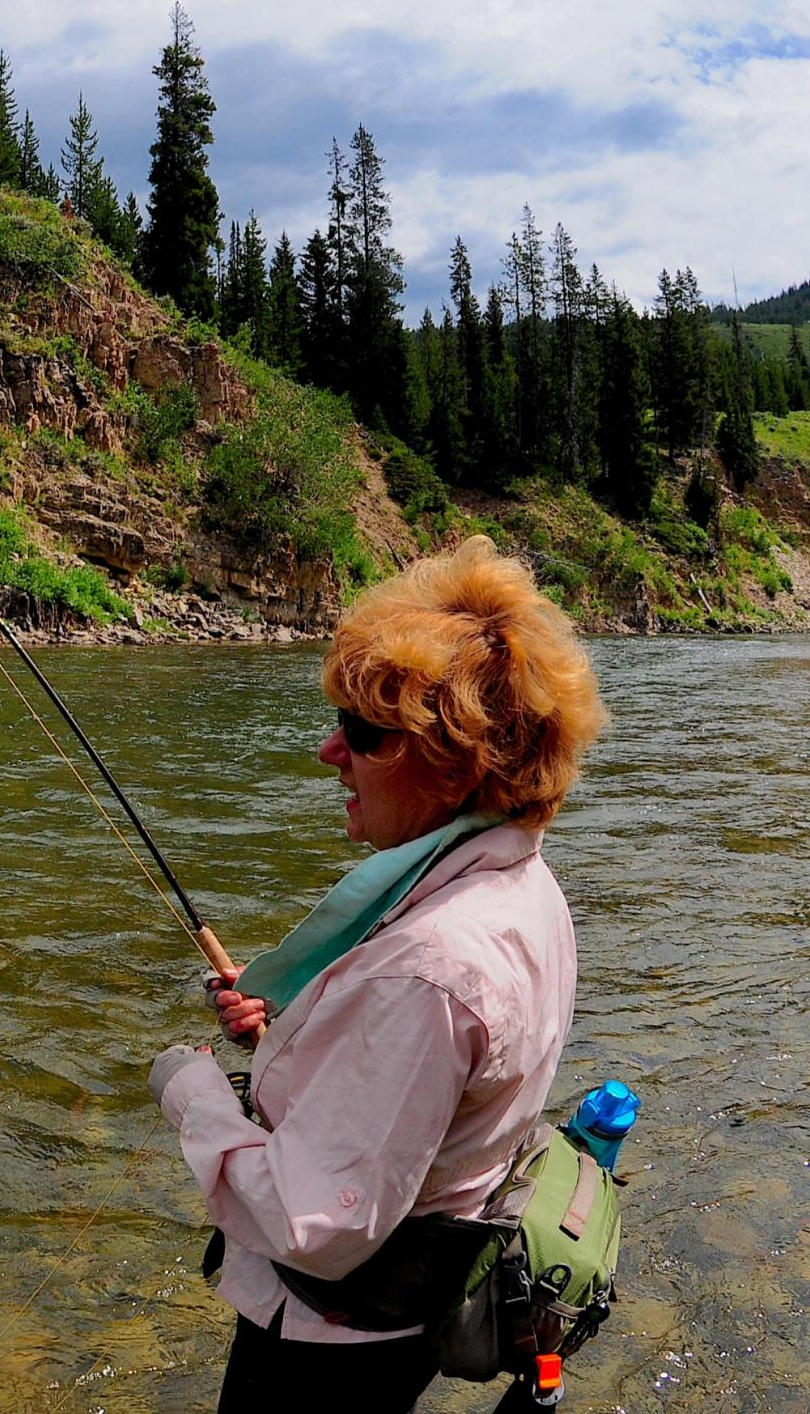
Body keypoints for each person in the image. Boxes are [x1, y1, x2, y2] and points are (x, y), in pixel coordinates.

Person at [148, 535, 607, 1413]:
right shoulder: (521, 880)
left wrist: (191, 1089)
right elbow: (413, 1070)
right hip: (411, 1311)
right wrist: (296, 1027)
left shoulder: (430, 969)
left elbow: (310, 1225)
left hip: (336, 1347)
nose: (329, 752)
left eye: (363, 733)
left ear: (459, 760)